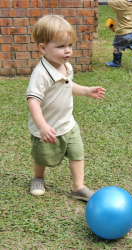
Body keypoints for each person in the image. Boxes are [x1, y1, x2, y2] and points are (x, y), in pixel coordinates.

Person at [26, 15, 106, 201]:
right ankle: (38, 177)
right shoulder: (41, 74)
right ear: (43, 48)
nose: (67, 51)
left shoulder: (66, 66)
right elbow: (33, 101)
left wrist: (87, 91)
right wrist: (43, 126)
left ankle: (78, 187)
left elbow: (68, 86)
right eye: (61, 46)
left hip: (68, 124)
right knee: (41, 156)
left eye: (69, 45)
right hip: (48, 127)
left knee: (77, 153)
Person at [106, 0, 132, 72]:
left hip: (122, 32)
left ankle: (116, 62)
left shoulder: (119, 3)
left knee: (116, 46)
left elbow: (110, 2)